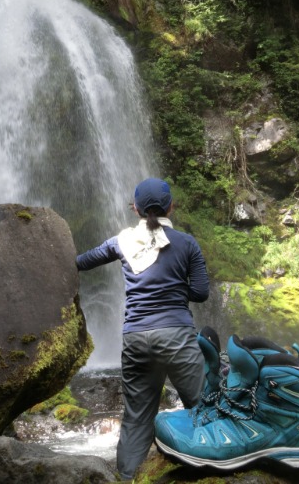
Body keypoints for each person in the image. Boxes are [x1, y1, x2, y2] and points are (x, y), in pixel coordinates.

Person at [76, 177, 210, 480]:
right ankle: (211, 470)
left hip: (135, 338)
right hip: (176, 335)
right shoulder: (187, 243)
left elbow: (82, 262)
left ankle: (127, 478)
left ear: (135, 209)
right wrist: (174, 290)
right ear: (171, 206)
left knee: (137, 417)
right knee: (203, 406)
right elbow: (201, 293)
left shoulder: (120, 242)